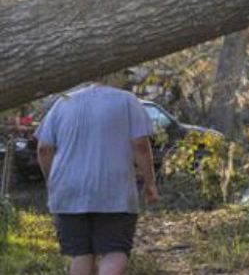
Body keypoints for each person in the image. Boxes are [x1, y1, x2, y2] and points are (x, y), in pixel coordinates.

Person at [35, 78, 158, 275]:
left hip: (69, 191)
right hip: (114, 191)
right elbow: (141, 145)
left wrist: (53, 182)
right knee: (114, 250)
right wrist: (150, 182)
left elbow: (43, 149)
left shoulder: (63, 102)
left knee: (80, 253)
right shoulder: (127, 101)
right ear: (116, 76)